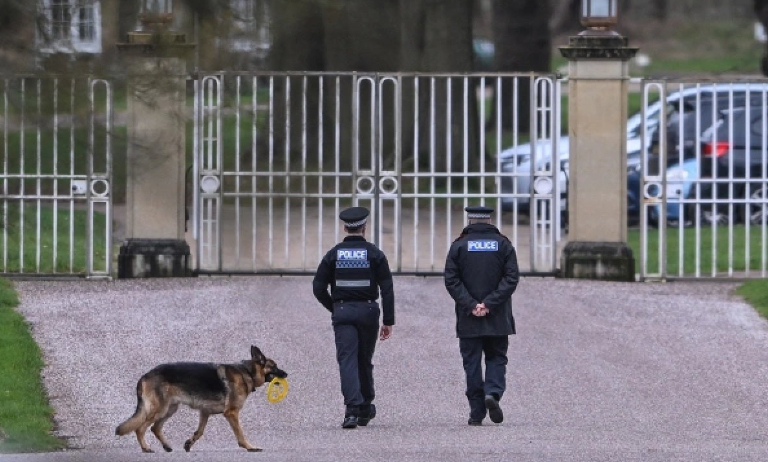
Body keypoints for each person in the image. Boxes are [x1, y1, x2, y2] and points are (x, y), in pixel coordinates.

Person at [312, 206, 395, 429]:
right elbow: (387, 287)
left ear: (345, 228)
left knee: (347, 360)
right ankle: (366, 406)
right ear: (364, 227)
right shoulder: (375, 254)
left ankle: (352, 411)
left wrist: (335, 308)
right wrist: (388, 320)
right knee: (364, 360)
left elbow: (318, 287)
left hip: (343, 311)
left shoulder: (333, 254)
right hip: (368, 312)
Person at [444, 205, 519, 426]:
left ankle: (477, 412)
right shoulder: (503, 244)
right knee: (497, 357)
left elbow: (451, 280)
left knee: (472, 363)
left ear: (470, 220)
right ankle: (493, 394)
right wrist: (489, 303)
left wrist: (471, 305)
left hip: (469, 317)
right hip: (497, 315)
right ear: (488, 220)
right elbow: (511, 278)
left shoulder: (459, 245)